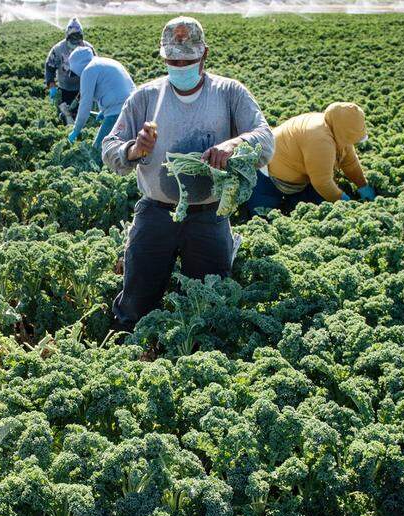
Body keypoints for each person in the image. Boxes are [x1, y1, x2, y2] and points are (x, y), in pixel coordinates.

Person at [101, 16, 274, 330]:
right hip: (156, 212)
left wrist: (235, 144)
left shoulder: (229, 93)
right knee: (136, 301)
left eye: (187, 60)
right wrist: (133, 150)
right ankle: (132, 347)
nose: (179, 65)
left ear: (204, 54)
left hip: (208, 215)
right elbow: (109, 148)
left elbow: (266, 139)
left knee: (210, 305)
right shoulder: (145, 97)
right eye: (172, 60)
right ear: (163, 58)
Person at [245, 102, 376, 214]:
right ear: (344, 133)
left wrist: (362, 185)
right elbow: (322, 183)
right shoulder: (320, 139)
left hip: (298, 178)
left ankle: (292, 202)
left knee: (310, 205)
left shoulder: (335, 128)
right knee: (262, 214)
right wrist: (343, 201)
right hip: (268, 176)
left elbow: (350, 163)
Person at [66, 46, 135, 153]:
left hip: (118, 111)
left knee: (99, 150)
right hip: (134, 105)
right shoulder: (106, 61)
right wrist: (103, 111)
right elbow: (113, 87)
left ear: (77, 66)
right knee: (126, 146)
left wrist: (76, 130)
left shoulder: (88, 70)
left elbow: (85, 104)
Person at [44, 18, 92, 123]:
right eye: (72, 39)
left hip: (82, 89)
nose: (75, 43)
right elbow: (49, 67)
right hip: (64, 88)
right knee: (64, 116)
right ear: (67, 37)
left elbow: (95, 68)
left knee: (80, 116)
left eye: (77, 39)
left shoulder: (88, 48)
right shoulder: (58, 49)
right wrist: (52, 87)